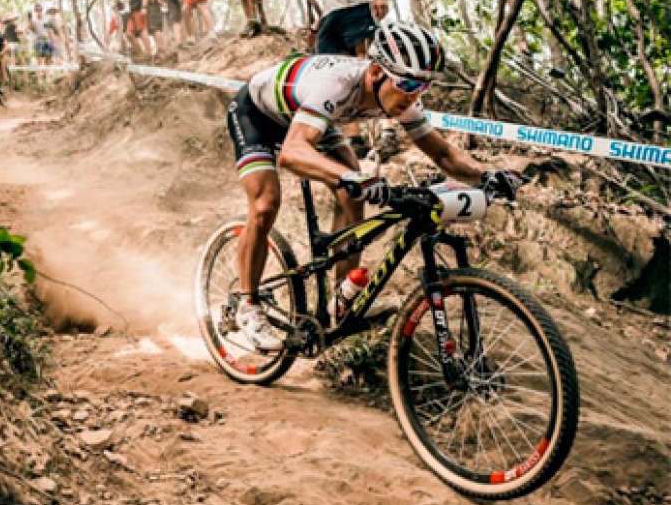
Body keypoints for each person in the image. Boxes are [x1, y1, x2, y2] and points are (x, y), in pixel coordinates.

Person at [224, 22, 523, 351]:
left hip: (312, 120)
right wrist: (352, 176)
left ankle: (342, 299)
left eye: (423, 86)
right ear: (378, 72)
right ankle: (248, 305)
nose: (413, 95)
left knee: (352, 194)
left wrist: (486, 176)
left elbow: (442, 153)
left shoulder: (402, 96)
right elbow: (293, 153)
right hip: (258, 115)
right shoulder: (337, 83)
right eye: (408, 83)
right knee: (266, 204)